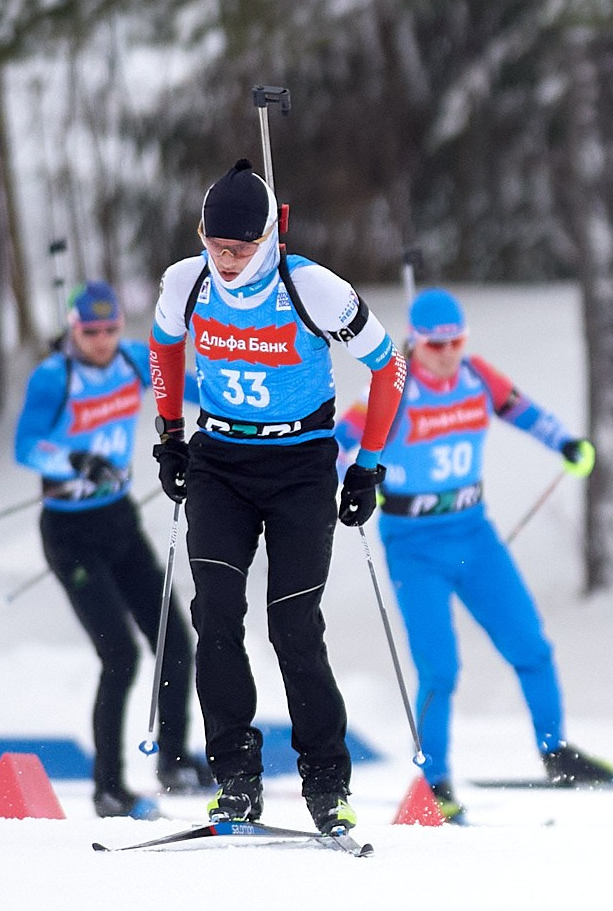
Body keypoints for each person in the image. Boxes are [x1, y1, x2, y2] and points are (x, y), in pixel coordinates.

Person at [146, 159, 404, 837]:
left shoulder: (310, 286)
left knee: (293, 626)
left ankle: (326, 784)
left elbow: (389, 365)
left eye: (241, 248)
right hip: (221, 465)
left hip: (300, 468)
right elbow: (164, 346)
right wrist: (170, 432)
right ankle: (235, 779)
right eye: (215, 244)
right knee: (217, 615)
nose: (226, 262)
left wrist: (368, 465)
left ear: (270, 237)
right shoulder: (187, 280)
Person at [333, 286, 605, 822]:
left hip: (474, 535)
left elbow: (523, 411)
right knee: (441, 669)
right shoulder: (395, 386)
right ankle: (435, 782)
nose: (448, 352)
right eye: (436, 344)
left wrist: (567, 444)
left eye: (456, 340)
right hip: (413, 544)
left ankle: (556, 752)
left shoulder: (477, 376)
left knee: (530, 644)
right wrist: (351, 479)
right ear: (415, 343)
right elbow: (340, 442)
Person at [12, 278, 209, 817]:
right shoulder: (56, 377)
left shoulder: (132, 362)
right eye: (89, 331)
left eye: (110, 329)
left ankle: (173, 761)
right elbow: (26, 446)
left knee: (173, 638)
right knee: (118, 655)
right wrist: (73, 461)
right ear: (74, 330)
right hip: (70, 534)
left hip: (118, 522)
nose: (100, 341)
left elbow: (191, 388)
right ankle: (108, 788)